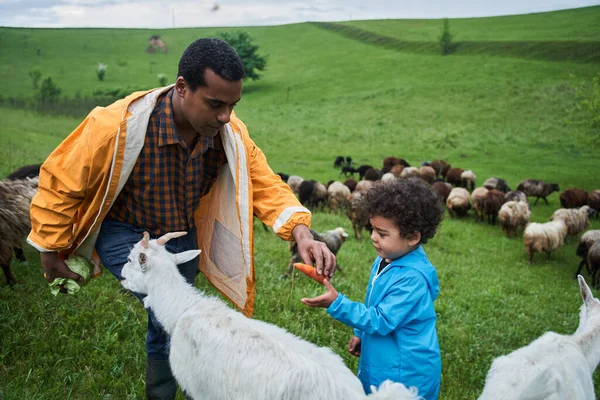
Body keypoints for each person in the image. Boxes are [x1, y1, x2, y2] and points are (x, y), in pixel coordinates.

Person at [27, 38, 336, 400]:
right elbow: (62, 182)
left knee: (176, 318)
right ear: (182, 87)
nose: (225, 116)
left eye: (233, 106)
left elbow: (263, 182)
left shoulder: (229, 135)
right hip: (124, 228)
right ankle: (167, 392)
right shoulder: (116, 126)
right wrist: (49, 249)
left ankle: (198, 386)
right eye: (215, 104)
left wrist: (300, 231)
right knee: (166, 315)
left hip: (180, 233)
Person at [301, 177, 444, 399]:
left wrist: (337, 304)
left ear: (413, 237)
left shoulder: (412, 279)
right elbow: (374, 302)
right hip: (384, 359)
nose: (374, 238)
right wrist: (361, 333)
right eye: (373, 229)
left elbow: (381, 319)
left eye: (383, 234)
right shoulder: (386, 259)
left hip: (406, 374)